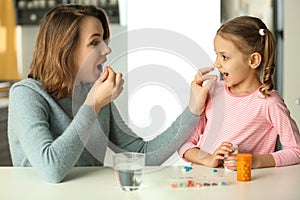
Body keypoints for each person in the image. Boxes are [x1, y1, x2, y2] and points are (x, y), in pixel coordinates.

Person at [7, 4, 216, 183]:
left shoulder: (93, 92)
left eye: (105, 41)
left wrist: (192, 110)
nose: (107, 50)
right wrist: (93, 105)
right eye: (95, 42)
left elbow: (142, 155)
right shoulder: (27, 95)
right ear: (66, 48)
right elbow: (51, 169)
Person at [178, 16, 300, 170]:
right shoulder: (213, 91)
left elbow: (296, 151)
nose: (216, 63)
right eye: (216, 55)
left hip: (240, 189)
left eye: (224, 57)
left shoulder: (268, 102)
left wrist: (252, 161)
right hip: (200, 185)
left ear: (253, 60)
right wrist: (208, 159)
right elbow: (184, 143)